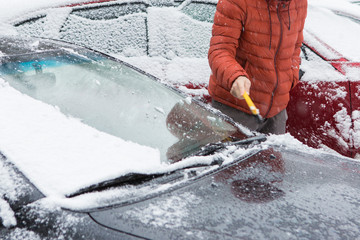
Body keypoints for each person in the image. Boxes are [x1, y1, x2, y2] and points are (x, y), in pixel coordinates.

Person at [208, 0, 308, 134]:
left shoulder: (299, 3)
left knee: (273, 155)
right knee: (234, 155)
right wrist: (235, 76)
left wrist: (291, 78)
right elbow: (220, 50)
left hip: (277, 112)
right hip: (236, 108)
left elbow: (296, 46)